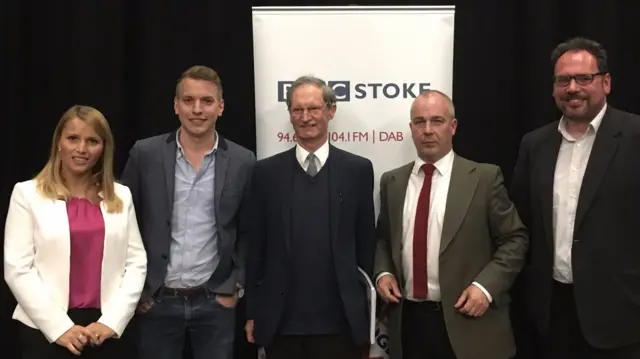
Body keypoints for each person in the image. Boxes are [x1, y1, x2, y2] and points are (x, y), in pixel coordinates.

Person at [510, 37, 640, 358]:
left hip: (621, 316)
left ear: (606, 82)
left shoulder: (636, 137)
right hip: (551, 313)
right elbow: (521, 222)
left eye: (584, 78)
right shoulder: (534, 144)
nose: (572, 88)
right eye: (563, 80)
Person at [374, 90, 529, 359]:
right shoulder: (392, 182)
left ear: (453, 126)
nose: (428, 130)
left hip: (469, 323)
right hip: (409, 323)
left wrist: (486, 287)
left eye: (437, 121)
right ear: (411, 129)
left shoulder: (484, 178)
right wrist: (383, 273)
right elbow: (384, 239)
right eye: (420, 122)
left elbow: (515, 239)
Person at [119, 65, 255, 359]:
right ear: (176, 105)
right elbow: (122, 223)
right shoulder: (145, 154)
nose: (197, 109)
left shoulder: (243, 161)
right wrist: (139, 290)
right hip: (156, 302)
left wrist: (235, 286)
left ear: (220, 107)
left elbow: (249, 230)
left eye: (206, 101)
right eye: (188, 100)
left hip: (215, 303)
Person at [244, 75, 376, 359]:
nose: (306, 117)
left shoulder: (358, 171)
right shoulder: (265, 174)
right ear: (290, 114)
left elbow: (366, 247)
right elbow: (256, 250)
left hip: (341, 324)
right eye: (297, 110)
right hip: (281, 325)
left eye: (313, 108)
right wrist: (253, 312)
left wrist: (365, 312)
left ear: (331, 111)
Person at [3, 105, 147, 359]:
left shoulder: (121, 195)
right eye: (73, 139)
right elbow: (17, 268)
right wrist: (59, 328)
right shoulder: (26, 194)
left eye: (92, 141)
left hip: (105, 331)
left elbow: (136, 263)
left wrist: (112, 321)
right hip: (44, 330)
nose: (82, 149)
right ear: (59, 142)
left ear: (103, 148)